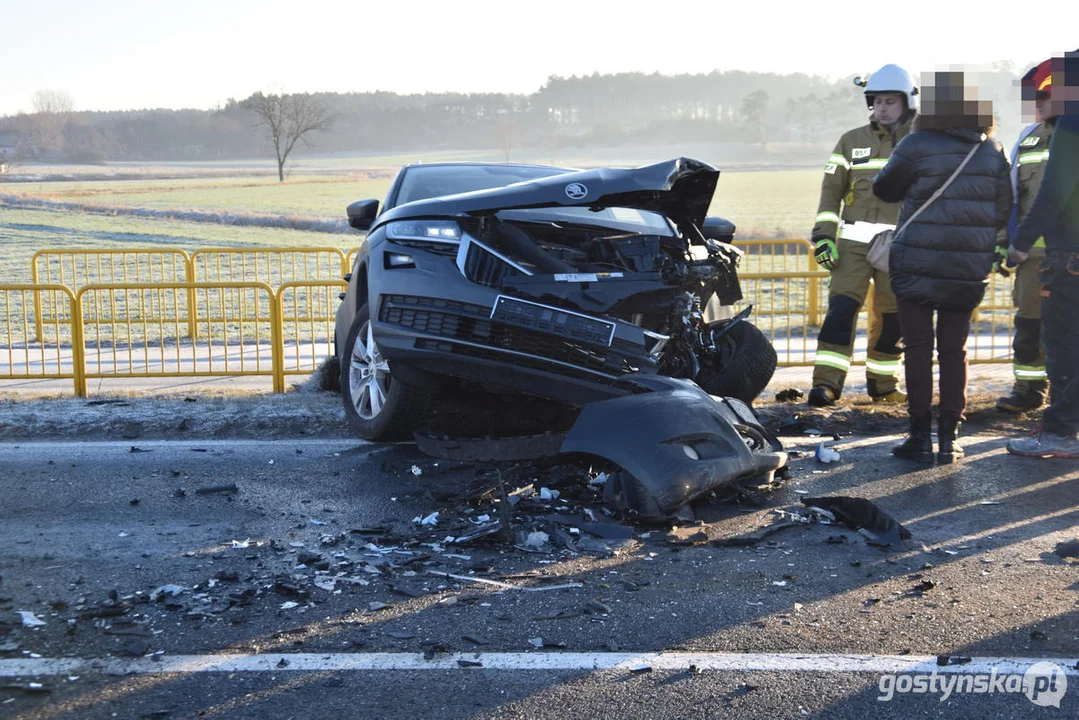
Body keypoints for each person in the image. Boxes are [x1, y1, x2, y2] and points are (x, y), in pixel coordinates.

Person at [871, 70, 1012, 464]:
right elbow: (1003, 208)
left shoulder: (917, 143)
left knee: (918, 347)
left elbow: (884, 188)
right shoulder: (992, 150)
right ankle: (950, 436)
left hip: (916, 260)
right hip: (968, 264)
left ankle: (918, 436)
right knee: (955, 350)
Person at [807, 65, 918, 408]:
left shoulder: (921, 142)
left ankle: (884, 385)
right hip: (851, 244)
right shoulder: (850, 141)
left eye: (890, 101)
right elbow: (830, 195)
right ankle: (826, 385)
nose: (882, 108)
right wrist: (824, 237)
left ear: (907, 102)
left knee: (893, 319)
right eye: (877, 101)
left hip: (900, 245)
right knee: (841, 311)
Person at [1006, 50, 1079, 459]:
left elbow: (1054, 191)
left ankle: (1060, 434)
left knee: (1065, 344)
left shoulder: (1072, 123)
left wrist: (1021, 242)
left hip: (1069, 253)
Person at [995, 59, 1056, 413]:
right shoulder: (1026, 139)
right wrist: (1004, 241)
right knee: (1029, 323)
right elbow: (1012, 197)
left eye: (1043, 97)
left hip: (1071, 255)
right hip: (1032, 256)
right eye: (1034, 98)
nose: (1037, 105)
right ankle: (1029, 389)